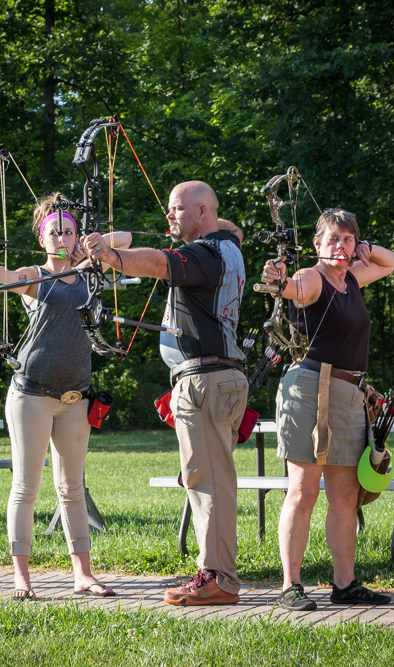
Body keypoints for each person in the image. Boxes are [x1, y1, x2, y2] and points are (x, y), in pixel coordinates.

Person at [83, 180, 247, 606]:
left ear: (203, 212)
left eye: (177, 208)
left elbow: (158, 262)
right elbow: (231, 226)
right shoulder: (229, 244)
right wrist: (175, 225)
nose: (169, 215)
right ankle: (218, 573)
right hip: (220, 378)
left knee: (207, 481)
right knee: (210, 478)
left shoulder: (204, 254)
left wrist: (112, 256)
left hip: (205, 380)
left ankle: (218, 577)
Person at [0, 194, 130, 601]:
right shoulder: (34, 276)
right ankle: (22, 577)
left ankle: (83, 575)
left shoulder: (90, 272)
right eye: (54, 232)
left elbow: (125, 239)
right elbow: (1, 276)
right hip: (32, 395)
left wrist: (94, 245)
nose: (62, 238)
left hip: (76, 398)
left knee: (72, 487)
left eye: (69, 231)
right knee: (26, 486)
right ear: (41, 239)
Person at [259, 209, 394, 611]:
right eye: (333, 239)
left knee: (346, 494)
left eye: (348, 239)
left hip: (351, 393)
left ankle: (345, 583)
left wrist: (364, 249)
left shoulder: (352, 277)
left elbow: (390, 262)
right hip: (311, 389)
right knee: (303, 490)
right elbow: (294, 288)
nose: (341, 245)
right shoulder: (313, 277)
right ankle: (290, 585)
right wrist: (279, 280)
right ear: (316, 244)